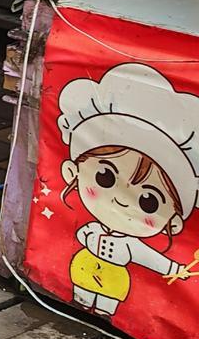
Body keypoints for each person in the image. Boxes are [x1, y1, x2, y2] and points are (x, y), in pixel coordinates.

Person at [57, 61, 199, 317]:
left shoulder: (131, 245)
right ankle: (82, 305)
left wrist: (173, 268)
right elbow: (81, 234)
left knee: (106, 306)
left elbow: (152, 258)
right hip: (82, 269)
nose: (123, 201)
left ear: (174, 222)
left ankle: (102, 314)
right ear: (73, 172)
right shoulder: (93, 229)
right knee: (81, 297)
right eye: (104, 177)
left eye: (148, 201)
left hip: (114, 281)